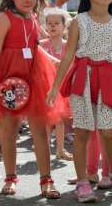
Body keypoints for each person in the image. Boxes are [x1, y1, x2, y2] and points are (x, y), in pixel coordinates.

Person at [47, 0, 112, 203]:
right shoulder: (78, 21)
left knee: (107, 131)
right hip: (82, 80)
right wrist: (55, 87)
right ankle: (83, 181)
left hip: (107, 80)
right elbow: (67, 57)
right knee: (83, 132)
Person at [0, 0, 65, 198]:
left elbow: (34, 46)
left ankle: (46, 179)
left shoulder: (33, 16)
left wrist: (51, 59)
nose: (28, 0)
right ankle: (10, 177)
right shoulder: (4, 17)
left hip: (33, 76)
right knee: (9, 130)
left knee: (40, 130)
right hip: (9, 78)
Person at [40, 8, 73, 161]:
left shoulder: (68, 45)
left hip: (61, 87)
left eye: (56, 23)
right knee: (46, 120)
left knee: (60, 120)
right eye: (49, 23)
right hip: (45, 87)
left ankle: (60, 149)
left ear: (64, 26)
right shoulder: (41, 45)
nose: (52, 26)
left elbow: (72, 65)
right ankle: (45, 149)